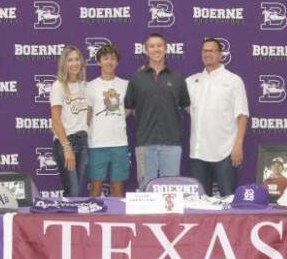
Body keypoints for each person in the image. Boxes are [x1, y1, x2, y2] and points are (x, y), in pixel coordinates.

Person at [124, 33, 190, 190]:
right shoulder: (136, 78)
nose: (156, 49)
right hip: (144, 144)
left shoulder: (178, 78)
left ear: (166, 49)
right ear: (146, 51)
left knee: (171, 190)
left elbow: (188, 107)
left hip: (172, 143)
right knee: (146, 189)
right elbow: (127, 109)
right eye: (152, 46)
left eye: (159, 45)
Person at [186, 38, 249, 196]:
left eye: (212, 50)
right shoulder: (191, 81)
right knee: (199, 203)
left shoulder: (233, 80)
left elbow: (242, 114)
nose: (208, 54)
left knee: (229, 199)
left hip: (225, 151)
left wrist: (238, 145)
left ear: (220, 54)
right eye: (205, 51)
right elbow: (186, 107)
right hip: (198, 151)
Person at [85, 44, 129, 197]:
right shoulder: (90, 86)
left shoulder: (125, 85)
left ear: (117, 62)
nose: (109, 62)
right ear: (99, 62)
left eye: (112, 58)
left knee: (117, 189)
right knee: (95, 188)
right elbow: (87, 115)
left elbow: (128, 110)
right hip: (97, 143)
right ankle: (91, 218)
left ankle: (119, 221)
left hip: (119, 142)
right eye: (105, 58)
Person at [50, 45, 89, 197]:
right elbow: (56, 120)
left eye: (77, 59)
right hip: (66, 142)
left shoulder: (85, 86)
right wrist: (67, 148)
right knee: (72, 191)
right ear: (64, 64)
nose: (74, 63)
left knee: (76, 191)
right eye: (70, 60)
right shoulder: (58, 86)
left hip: (83, 141)